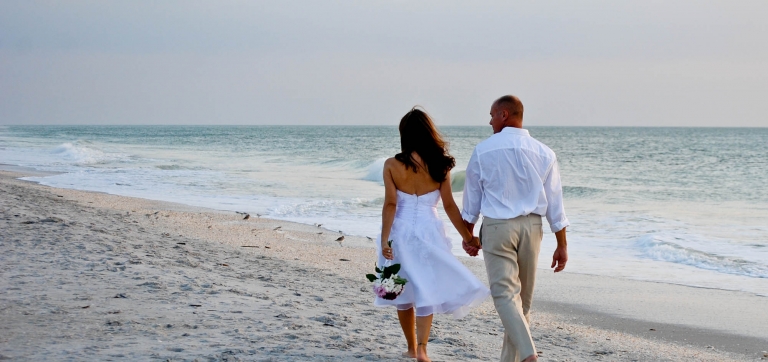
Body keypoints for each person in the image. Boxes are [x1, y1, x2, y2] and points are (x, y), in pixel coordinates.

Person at [376, 107, 491, 362]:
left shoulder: (392, 165)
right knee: (425, 288)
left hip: (400, 232)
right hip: (429, 231)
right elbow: (449, 206)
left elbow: (390, 205)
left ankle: (410, 347)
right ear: (430, 133)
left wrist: (385, 239)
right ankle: (423, 348)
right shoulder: (441, 164)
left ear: (404, 134)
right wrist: (468, 237)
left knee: (402, 289)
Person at [461, 95, 569, 362]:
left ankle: (529, 356)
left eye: (492, 115)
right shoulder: (545, 152)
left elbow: (471, 199)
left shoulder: (483, 150)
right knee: (521, 303)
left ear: (504, 115)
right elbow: (555, 203)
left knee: (505, 295)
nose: (489, 121)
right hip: (532, 229)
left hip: (498, 228)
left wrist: (468, 234)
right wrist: (562, 244)